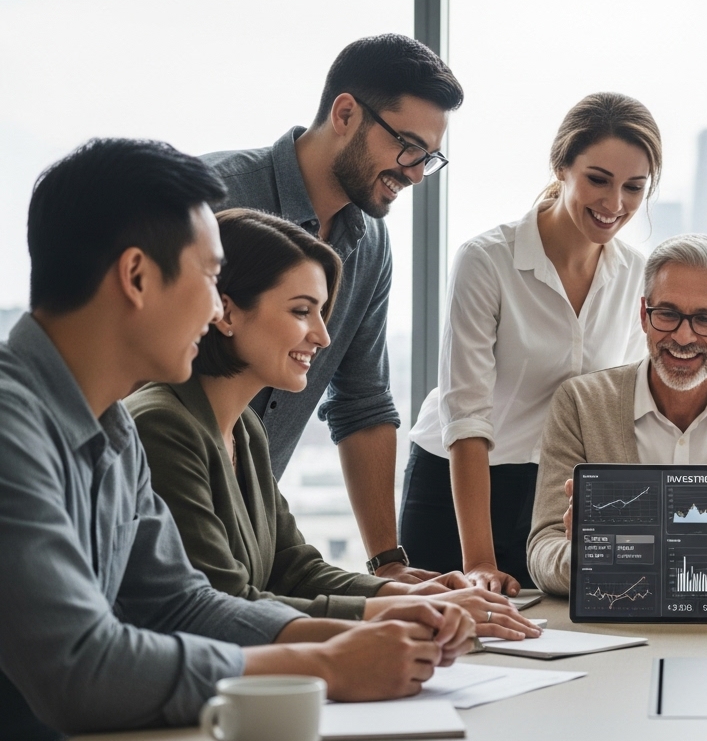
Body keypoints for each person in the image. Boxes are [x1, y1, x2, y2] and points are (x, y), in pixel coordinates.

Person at [0, 140, 478, 741]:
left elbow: (181, 604)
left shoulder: (110, 426)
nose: (213, 306)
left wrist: (365, 630)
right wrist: (322, 666)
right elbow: (79, 668)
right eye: (208, 276)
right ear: (138, 276)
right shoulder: (12, 428)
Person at [124, 208, 540, 640]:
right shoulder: (162, 427)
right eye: (302, 311)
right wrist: (399, 612)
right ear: (226, 313)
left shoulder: (244, 428)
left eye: (321, 313)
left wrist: (410, 595)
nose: (323, 336)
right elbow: (225, 603)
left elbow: (294, 570)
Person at [203, 34, 463, 585]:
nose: (416, 172)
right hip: (151, 506)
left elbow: (362, 403)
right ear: (345, 113)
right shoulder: (212, 200)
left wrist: (389, 567)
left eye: (429, 157)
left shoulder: (370, 245)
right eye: (407, 146)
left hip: (251, 531)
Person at [402, 93, 661, 592]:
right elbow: (466, 416)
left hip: (553, 495)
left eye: (634, 187)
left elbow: (617, 414)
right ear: (562, 166)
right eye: (598, 180)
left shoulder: (637, 277)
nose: (614, 204)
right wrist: (478, 559)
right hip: (458, 485)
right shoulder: (487, 261)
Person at [526, 233, 707, 600]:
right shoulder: (581, 403)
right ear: (644, 315)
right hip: (617, 632)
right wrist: (589, 554)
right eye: (667, 314)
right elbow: (543, 551)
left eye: (706, 319)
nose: (682, 336)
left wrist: (623, 558)